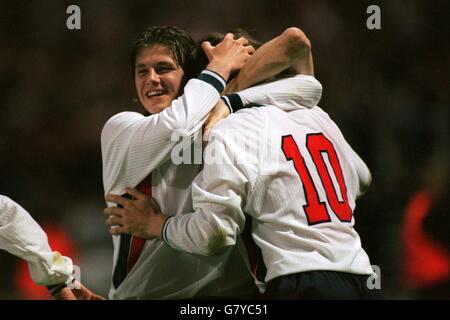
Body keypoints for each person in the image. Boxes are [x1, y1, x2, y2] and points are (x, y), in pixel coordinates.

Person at [104, 34, 383, 300]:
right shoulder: (316, 116)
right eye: (142, 71)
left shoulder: (227, 130)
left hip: (295, 280)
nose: (152, 79)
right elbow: (362, 177)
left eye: (163, 68)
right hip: (359, 270)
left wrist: (158, 224)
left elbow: (214, 233)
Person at [0, 195, 104, 300]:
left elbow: (6, 213)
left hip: (33, 292)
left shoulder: (57, 237)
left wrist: (59, 284)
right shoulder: (58, 237)